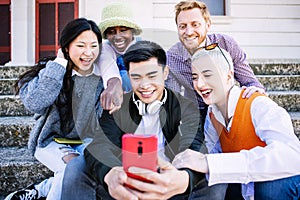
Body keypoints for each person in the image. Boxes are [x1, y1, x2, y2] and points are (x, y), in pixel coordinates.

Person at [61, 40, 227, 200]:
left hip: (169, 187)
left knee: (213, 177)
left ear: (165, 73)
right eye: (136, 77)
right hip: (125, 189)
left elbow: (194, 148)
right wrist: (110, 173)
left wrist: (184, 178)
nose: (144, 85)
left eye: (151, 75)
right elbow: (99, 145)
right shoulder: (118, 106)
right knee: (77, 166)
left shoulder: (186, 108)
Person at [5, 18, 123, 200]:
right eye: (81, 46)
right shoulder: (52, 71)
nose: (88, 53)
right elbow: (35, 103)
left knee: (93, 168)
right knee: (71, 168)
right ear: (66, 47)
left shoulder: (101, 76)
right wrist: (59, 64)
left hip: (85, 141)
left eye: (93, 46)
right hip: (50, 141)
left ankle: (42, 189)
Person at [172, 45, 300, 200]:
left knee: (270, 187)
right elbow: (214, 155)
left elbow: (291, 155)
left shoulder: (258, 104)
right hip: (248, 189)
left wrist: (210, 163)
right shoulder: (212, 114)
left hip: (286, 185)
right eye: (194, 77)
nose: (199, 84)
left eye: (208, 75)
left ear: (228, 76)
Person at [165, 0, 265, 120]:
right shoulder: (172, 57)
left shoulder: (226, 44)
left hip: (228, 109)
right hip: (197, 113)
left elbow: (251, 83)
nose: (189, 32)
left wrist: (256, 94)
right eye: (182, 26)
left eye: (195, 24)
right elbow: (171, 99)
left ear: (208, 25)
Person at [98, 2, 143, 92]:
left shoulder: (144, 49)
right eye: (111, 32)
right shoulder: (105, 49)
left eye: (123, 30)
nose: (118, 37)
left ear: (132, 31)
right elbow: (108, 69)